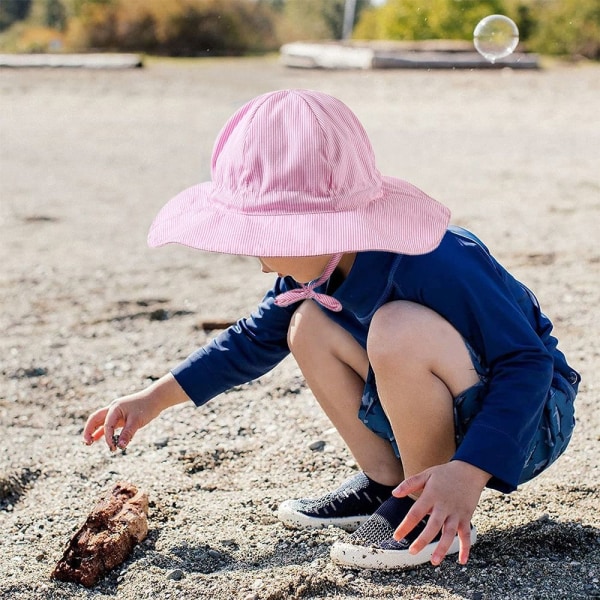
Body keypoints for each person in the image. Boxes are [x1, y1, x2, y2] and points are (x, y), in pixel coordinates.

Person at [82, 89, 580, 570]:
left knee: (395, 326)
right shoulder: (314, 268)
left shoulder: (438, 260)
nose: (255, 255)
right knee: (306, 324)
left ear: (321, 223)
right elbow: (252, 340)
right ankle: (389, 484)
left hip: (525, 422)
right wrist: (152, 399)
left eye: (264, 234)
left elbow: (527, 363)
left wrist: (468, 473)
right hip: (447, 404)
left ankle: (426, 508)